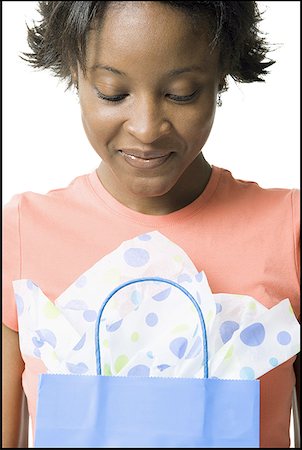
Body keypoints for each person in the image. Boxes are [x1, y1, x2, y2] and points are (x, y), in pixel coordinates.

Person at [2, 1, 300, 448]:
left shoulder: (288, 229)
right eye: (111, 92)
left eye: (181, 93)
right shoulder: (21, 234)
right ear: (74, 75)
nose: (145, 128)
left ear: (220, 78)